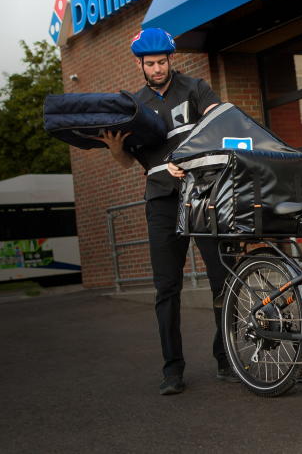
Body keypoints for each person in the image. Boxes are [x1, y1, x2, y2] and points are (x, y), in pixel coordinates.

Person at [95, 27, 238, 395]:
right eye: (150, 63)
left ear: (170, 59)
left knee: (222, 280)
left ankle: (226, 359)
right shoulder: (134, 105)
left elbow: (217, 123)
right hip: (160, 201)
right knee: (167, 288)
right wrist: (114, 149)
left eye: (162, 61)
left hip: (204, 194)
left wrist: (187, 158)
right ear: (139, 65)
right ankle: (172, 370)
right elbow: (128, 163)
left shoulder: (195, 88)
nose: (157, 68)